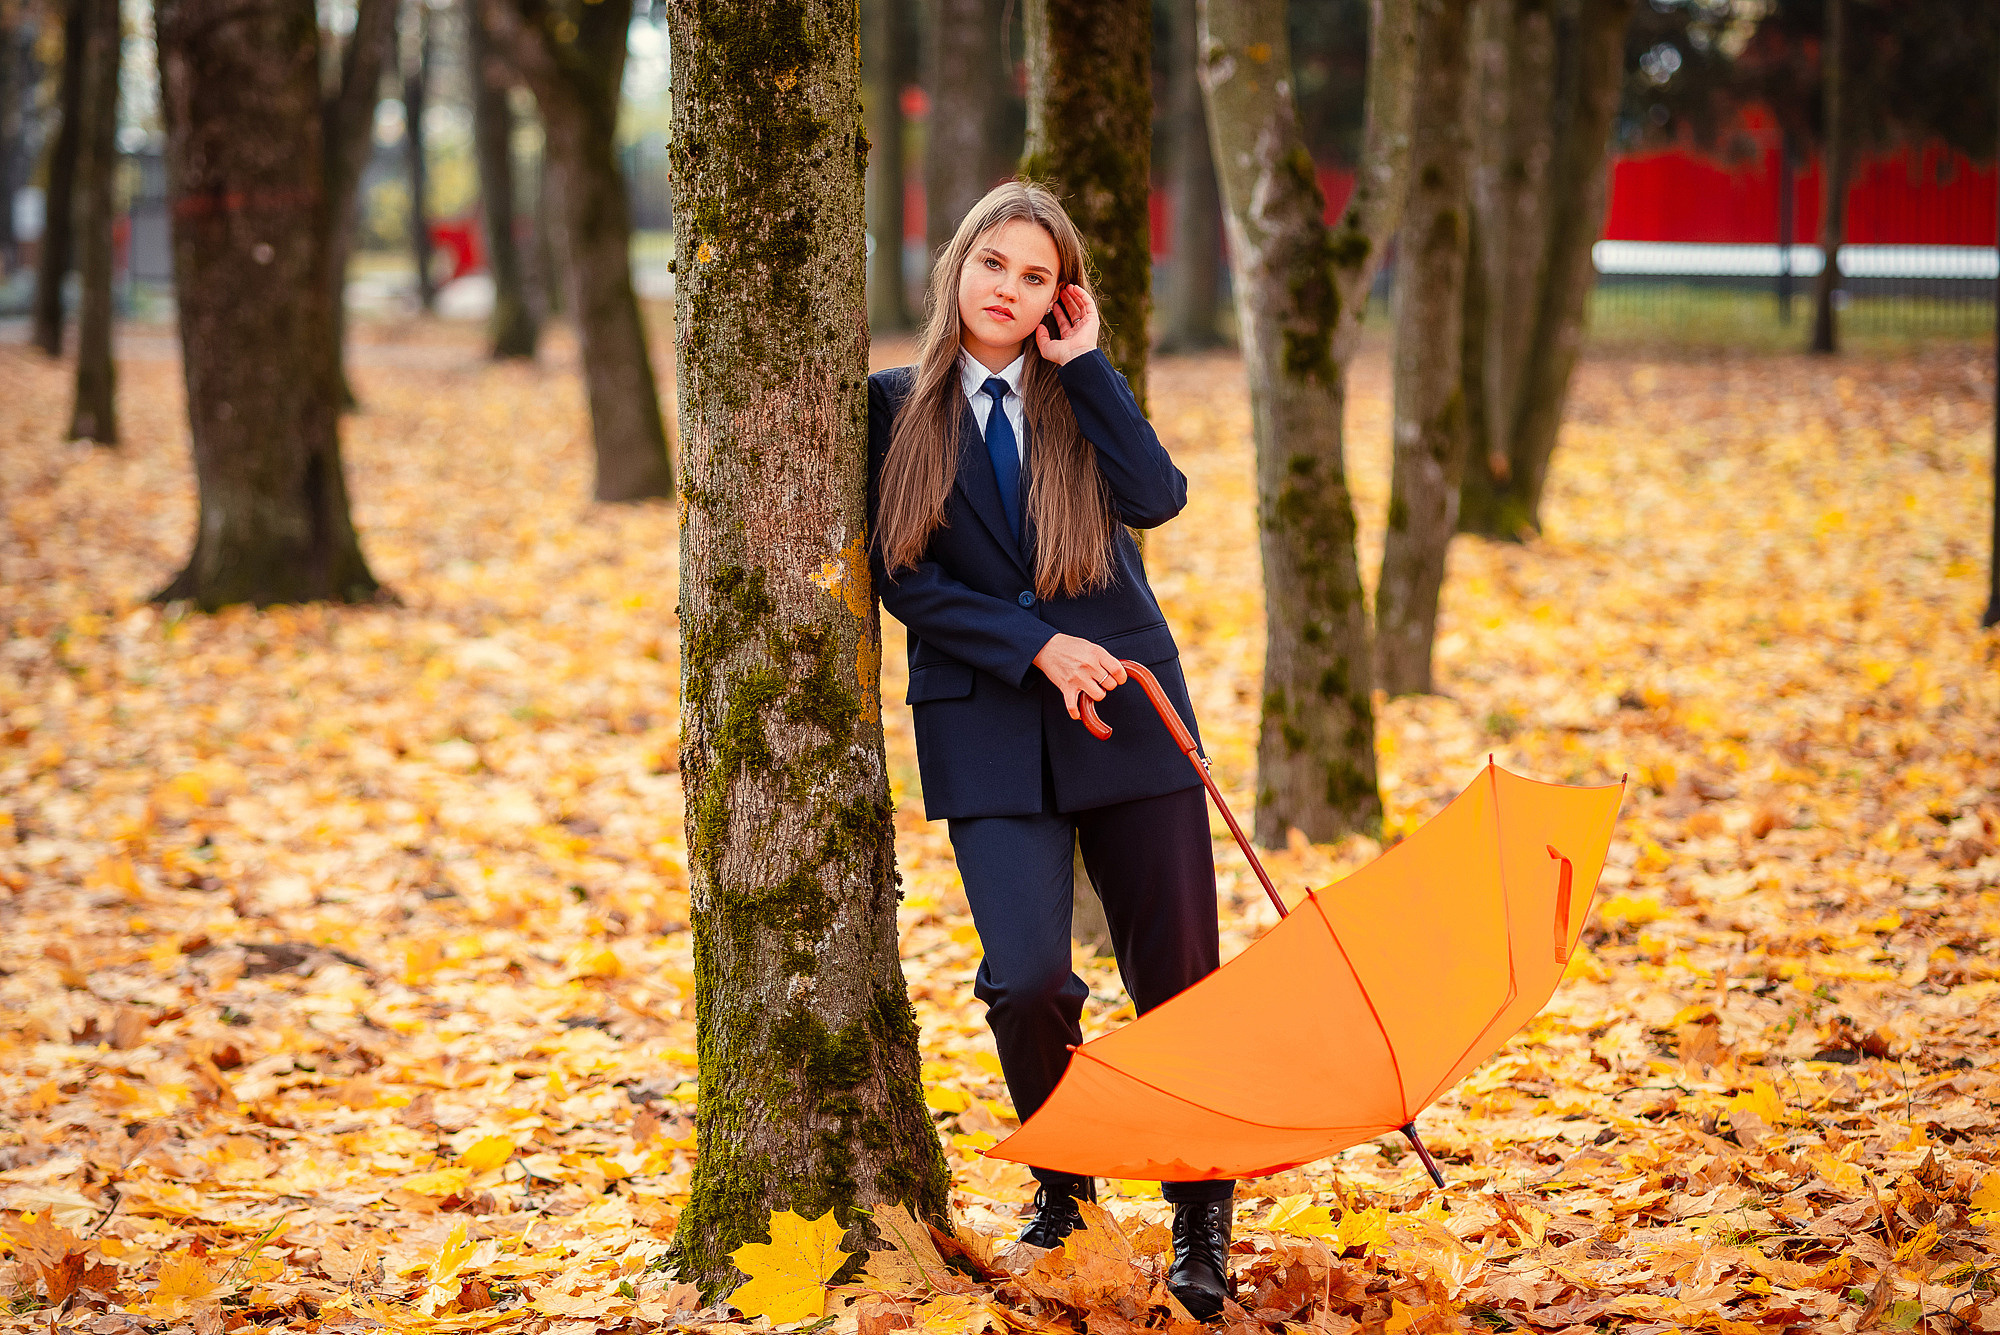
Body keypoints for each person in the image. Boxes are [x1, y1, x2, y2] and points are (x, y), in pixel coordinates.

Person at [867, 181, 1233, 1320]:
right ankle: (1062, 1189)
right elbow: (901, 576)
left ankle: (1200, 1214)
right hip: (987, 725)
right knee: (1027, 980)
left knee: (1176, 984)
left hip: (1128, 714)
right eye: (993, 266)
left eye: (1034, 277)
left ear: (1056, 296)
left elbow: (1158, 499)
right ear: (955, 267)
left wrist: (1088, 368)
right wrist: (1036, 647)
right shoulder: (893, 405)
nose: (1008, 291)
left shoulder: (1077, 394)